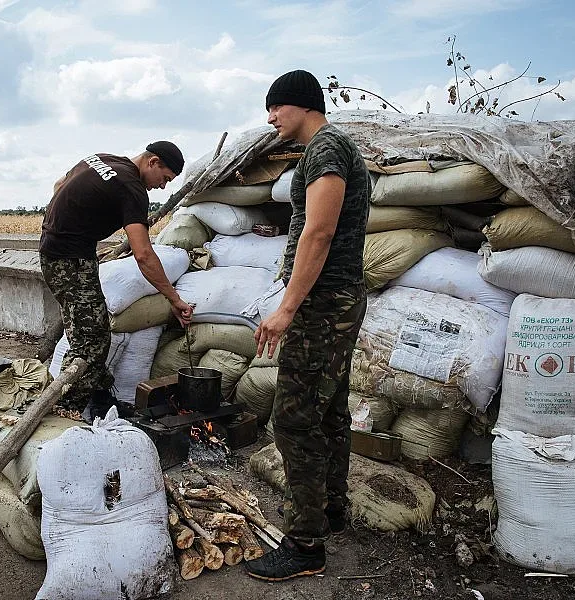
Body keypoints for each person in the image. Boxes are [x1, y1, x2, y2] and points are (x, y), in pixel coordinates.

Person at [245, 70, 370, 581]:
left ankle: (304, 545)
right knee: (329, 411)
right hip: (332, 302)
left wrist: (287, 308)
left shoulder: (326, 149)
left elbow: (319, 232)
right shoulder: (326, 149)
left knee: (294, 420)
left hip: (322, 306)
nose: (270, 118)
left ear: (301, 105)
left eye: (275, 107)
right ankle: (329, 510)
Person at [39, 141, 193, 422]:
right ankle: (64, 409)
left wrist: (72, 225)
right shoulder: (131, 188)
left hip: (57, 251)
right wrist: (174, 298)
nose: (162, 186)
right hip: (70, 260)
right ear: (153, 162)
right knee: (92, 341)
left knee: (88, 330)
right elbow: (143, 254)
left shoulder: (102, 159)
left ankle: (100, 396)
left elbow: (59, 185)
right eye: (165, 178)